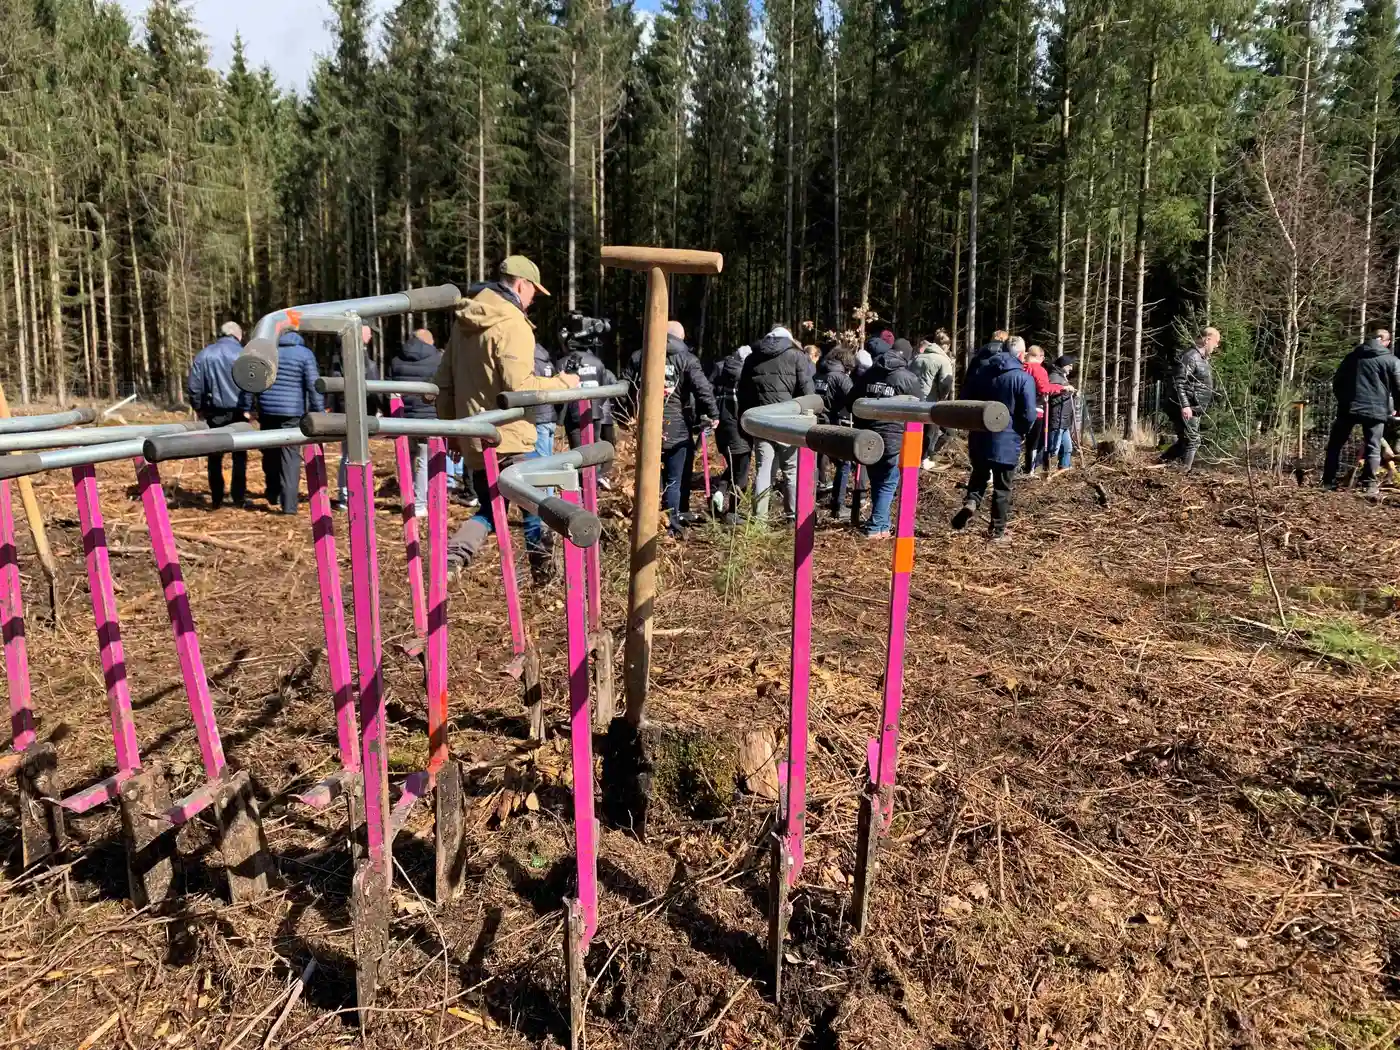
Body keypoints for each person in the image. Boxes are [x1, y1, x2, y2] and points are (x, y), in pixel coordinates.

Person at [433, 255, 579, 582]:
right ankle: (544, 576)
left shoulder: (463, 322)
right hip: (510, 437)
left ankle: (453, 557)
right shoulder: (513, 323)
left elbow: (443, 383)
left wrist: (453, 432)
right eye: (533, 291)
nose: (533, 299)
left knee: (490, 507)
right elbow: (521, 387)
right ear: (521, 284)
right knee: (534, 504)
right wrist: (564, 384)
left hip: (475, 437)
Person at [952, 336, 1036, 542]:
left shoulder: (981, 373)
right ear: (1020, 354)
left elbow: (965, 401)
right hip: (1007, 437)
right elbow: (1029, 414)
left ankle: (971, 501)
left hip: (980, 433)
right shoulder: (1022, 378)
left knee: (979, 474)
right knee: (1002, 486)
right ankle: (997, 531)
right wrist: (1021, 431)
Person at [846, 337, 921, 538]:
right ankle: (876, 525)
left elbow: (851, 401)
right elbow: (920, 410)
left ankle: (882, 525)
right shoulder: (908, 378)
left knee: (879, 480)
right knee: (888, 481)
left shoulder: (870, 373)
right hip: (893, 437)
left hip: (868, 435)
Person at [738, 325, 814, 520]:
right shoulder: (797, 356)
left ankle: (759, 518)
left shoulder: (752, 358)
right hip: (789, 422)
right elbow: (807, 392)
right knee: (791, 470)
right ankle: (793, 515)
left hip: (761, 421)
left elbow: (744, 393)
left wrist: (745, 423)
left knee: (763, 470)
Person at [655, 322, 718, 535]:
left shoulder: (642, 356)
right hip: (677, 426)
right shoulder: (687, 359)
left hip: (648, 425)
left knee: (654, 475)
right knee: (675, 478)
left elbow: (628, 384)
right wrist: (713, 413)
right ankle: (673, 522)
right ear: (681, 338)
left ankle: (656, 518)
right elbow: (702, 388)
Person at [1323, 327, 1400, 496]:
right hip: (1376, 409)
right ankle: (1369, 485)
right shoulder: (1391, 360)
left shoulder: (1352, 357)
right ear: (1386, 342)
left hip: (1348, 407)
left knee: (1335, 445)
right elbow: (1398, 387)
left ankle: (1328, 482)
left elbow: (1338, 382)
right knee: (1373, 446)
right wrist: (1395, 408)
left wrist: (1344, 400)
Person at [257, 330, 324, 515]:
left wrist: (253, 405)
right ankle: (289, 506)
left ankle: (273, 494)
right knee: (290, 458)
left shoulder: (268, 352)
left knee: (270, 453)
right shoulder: (304, 354)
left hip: (267, 409)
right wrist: (319, 412)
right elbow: (313, 385)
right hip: (291, 412)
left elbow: (255, 379)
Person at [187, 321, 253, 509]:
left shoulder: (205, 354)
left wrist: (199, 408)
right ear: (238, 335)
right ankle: (238, 496)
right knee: (239, 455)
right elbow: (251, 383)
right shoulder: (245, 354)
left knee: (214, 455)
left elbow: (194, 386)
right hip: (239, 411)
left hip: (214, 411)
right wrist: (248, 408)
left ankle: (217, 497)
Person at [389, 329, 442, 517]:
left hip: (405, 416)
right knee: (423, 460)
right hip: (428, 416)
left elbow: (391, 387)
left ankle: (408, 497)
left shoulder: (396, 360)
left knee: (408, 458)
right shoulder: (437, 360)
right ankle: (419, 504)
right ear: (430, 342)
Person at [331, 325, 384, 508]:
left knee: (348, 453)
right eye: (367, 333)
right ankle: (352, 493)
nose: (370, 336)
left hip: (345, 410)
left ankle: (347, 492)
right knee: (355, 453)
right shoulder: (361, 358)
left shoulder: (340, 357)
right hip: (359, 410)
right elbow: (374, 387)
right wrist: (382, 408)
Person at [557, 339, 619, 488]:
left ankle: (584, 487)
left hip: (573, 415)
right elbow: (604, 390)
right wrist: (597, 405)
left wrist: (560, 416)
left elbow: (558, 392)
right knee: (593, 448)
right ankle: (593, 483)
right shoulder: (598, 362)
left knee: (578, 453)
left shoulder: (563, 362)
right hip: (595, 413)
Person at [1162, 326, 1219, 471]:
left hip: (1194, 407)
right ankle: (1183, 471)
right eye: (1216, 342)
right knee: (1193, 440)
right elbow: (1179, 382)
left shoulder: (1201, 358)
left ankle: (1163, 463)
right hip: (1187, 406)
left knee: (1185, 440)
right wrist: (1185, 405)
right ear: (1207, 340)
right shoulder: (1191, 356)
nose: (1217, 346)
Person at [709, 344, 752, 520]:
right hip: (739, 430)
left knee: (733, 467)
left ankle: (719, 493)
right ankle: (733, 512)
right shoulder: (744, 377)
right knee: (742, 474)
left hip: (722, 428)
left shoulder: (721, 371)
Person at [814, 344, 855, 517]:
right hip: (831, 422)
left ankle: (810, 500)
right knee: (845, 462)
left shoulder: (818, 374)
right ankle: (838, 505)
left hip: (814, 422)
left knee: (814, 460)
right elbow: (853, 399)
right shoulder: (840, 378)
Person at [910, 330, 955, 469]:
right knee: (933, 432)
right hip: (931, 402)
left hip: (913, 401)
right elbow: (946, 383)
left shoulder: (918, 358)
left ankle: (916, 457)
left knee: (917, 431)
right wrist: (942, 397)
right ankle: (925, 458)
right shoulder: (943, 360)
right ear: (946, 346)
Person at [1021, 344, 1068, 473]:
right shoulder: (1038, 369)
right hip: (1037, 410)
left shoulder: (1020, 367)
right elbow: (1044, 388)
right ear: (1040, 356)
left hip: (1019, 410)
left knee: (1021, 441)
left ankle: (1019, 469)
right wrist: (1061, 388)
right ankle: (1031, 470)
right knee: (1035, 442)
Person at [1046, 355, 1077, 471]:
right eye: (1069, 365)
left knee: (1067, 448)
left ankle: (1065, 469)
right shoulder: (1054, 377)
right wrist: (1065, 390)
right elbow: (1050, 393)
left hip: (1064, 420)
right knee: (1053, 449)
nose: (1071, 368)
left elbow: (1063, 393)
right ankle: (1047, 470)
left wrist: (1073, 393)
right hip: (1057, 419)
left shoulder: (1061, 377)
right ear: (1063, 365)